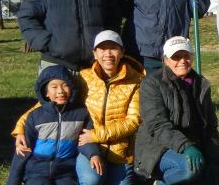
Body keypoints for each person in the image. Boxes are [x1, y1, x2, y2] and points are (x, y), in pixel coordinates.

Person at [13, 30, 145, 185]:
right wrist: (20, 128)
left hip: (120, 149)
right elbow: (46, 104)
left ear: (122, 52)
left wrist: (96, 135)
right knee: (91, 180)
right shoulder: (84, 77)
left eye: (113, 48)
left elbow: (133, 121)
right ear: (95, 53)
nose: (108, 54)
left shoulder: (137, 81)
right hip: (87, 145)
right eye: (102, 49)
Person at [133, 36, 219, 184]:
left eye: (186, 55)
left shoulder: (201, 83)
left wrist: (213, 152)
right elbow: (157, 125)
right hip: (158, 147)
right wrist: (186, 146)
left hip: (195, 145)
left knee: (217, 174)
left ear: (192, 57)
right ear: (166, 60)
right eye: (176, 57)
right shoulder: (152, 83)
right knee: (189, 168)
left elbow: (210, 123)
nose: (182, 61)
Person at [7, 65, 101, 185]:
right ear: (46, 93)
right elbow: (23, 149)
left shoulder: (81, 114)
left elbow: (85, 140)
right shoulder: (35, 116)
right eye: (54, 87)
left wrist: (93, 154)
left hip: (66, 172)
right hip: (37, 171)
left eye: (65, 85)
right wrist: (13, 181)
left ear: (72, 88)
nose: (61, 91)